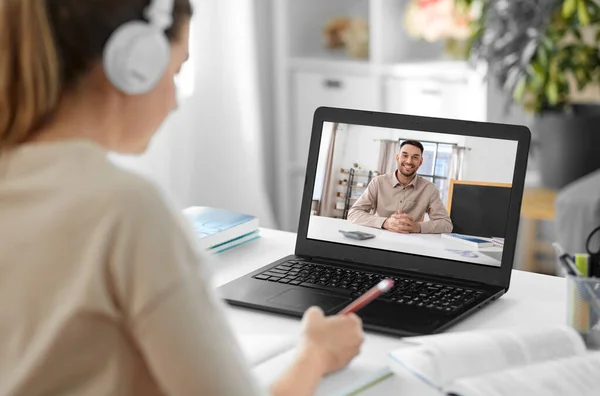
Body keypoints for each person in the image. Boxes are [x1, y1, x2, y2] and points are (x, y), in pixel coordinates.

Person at [0, 1, 364, 395]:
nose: (174, 101)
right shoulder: (125, 210)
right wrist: (316, 355)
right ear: (133, 64)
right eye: (176, 70)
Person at [348, 140, 453, 234]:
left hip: (410, 244)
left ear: (420, 162)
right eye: (405, 155)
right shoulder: (378, 182)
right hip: (378, 239)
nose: (409, 161)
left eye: (415, 157)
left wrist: (417, 227)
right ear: (398, 157)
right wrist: (385, 222)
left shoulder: (430, 189)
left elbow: (446, 225)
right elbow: (353, 213)